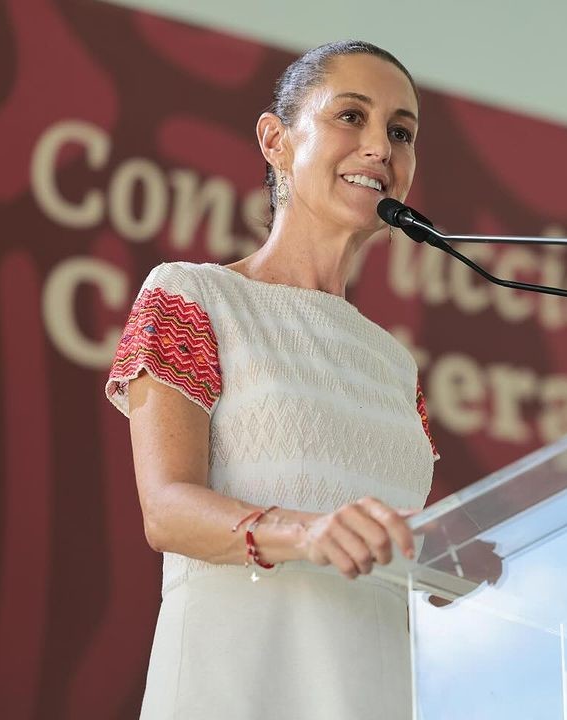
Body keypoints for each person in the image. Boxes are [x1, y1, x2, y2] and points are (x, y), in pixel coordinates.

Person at [105, 40, 438, 718]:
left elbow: (407, 556)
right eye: (351, 116)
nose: (380, 147)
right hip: (234, 687)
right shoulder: (192, 296)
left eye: (400, 132)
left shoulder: (395, 366)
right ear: (276, 140)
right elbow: (165, 508)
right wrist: (306, 534)